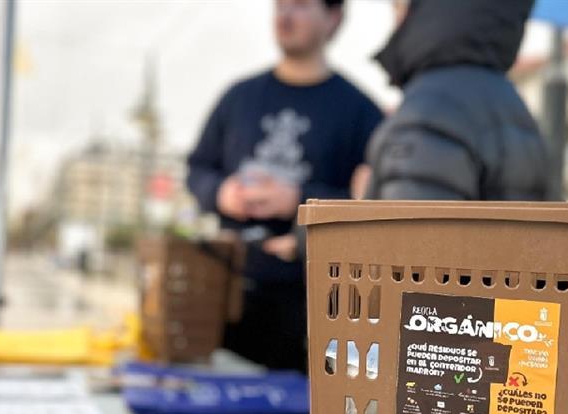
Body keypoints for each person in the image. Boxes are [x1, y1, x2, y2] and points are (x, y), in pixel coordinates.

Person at [186, 0, 383, 372]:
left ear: (333, 17)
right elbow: (197, 168)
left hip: (312, 303)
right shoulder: (238, 98)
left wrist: (299, 198)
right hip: (228, 290)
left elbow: (374, 206)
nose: (285, 15)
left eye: (301, 5)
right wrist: (221, 193)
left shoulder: (360, 112)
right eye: (280, 5)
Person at [364, 0, 547, 201]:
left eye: (398, 6)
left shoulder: (430, 109)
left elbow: (410, 227)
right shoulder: (510, 102)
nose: (395, 20)